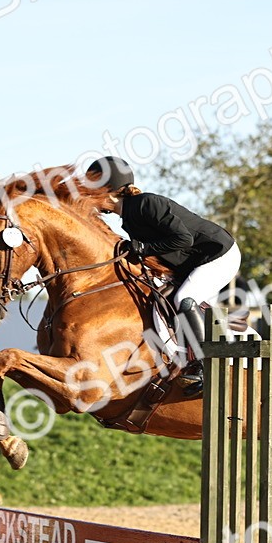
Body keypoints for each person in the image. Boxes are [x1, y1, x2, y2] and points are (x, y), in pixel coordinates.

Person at [88, 156, 241, 395]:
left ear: (108, 192)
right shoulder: (129, 216)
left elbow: (183, 239)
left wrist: (143, 249)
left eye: (91, 193)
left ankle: (203, 366)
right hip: (194, 261)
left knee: (185, 298)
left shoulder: (145, 204)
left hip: (219, 254)